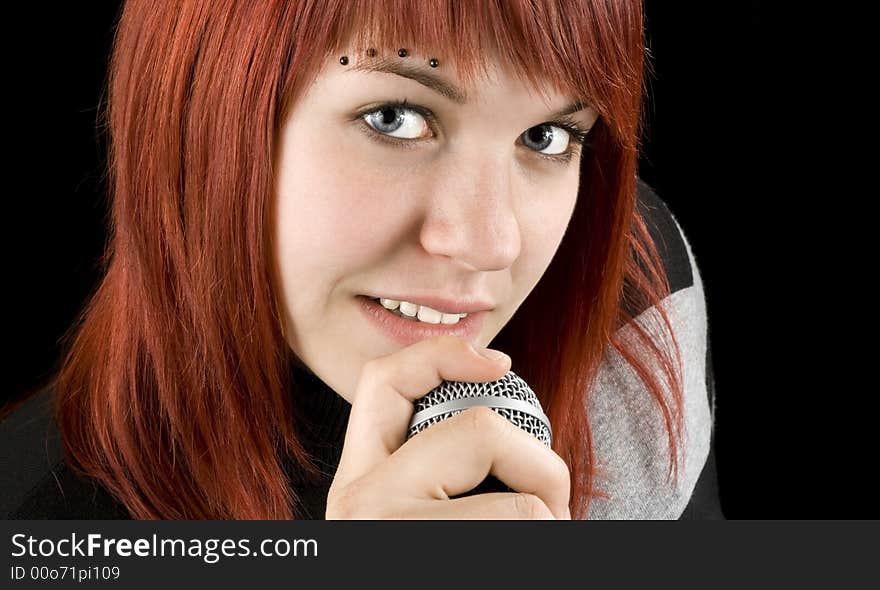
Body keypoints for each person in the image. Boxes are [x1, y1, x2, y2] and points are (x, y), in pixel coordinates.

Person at [0, 0, 723, 520]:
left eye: (546, 137)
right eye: (395, 118)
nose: (490, 244)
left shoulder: (637, 289)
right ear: (197, 115)